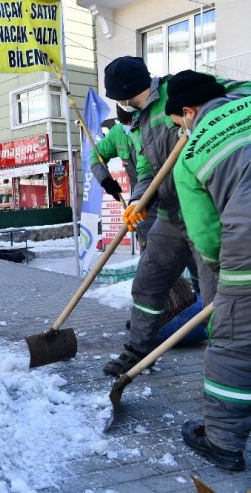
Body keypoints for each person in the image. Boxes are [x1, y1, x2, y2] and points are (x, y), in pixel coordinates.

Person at [100, 56, 233, 377]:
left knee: (217, 299)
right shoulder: (141, 120)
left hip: (204, 211)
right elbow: (146, 167)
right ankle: (138, 352)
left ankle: (225, 370)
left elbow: (230, 93)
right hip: (171, 215)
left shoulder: (178, 91)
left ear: (125, 92)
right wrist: (137, 199)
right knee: (148, 283)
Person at [167, 70, 251, 472]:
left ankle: (223, 443)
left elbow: (208, 237)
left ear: (188, 112)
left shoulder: (191, 155)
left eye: (178, 123)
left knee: (234, 343)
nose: (179, 131)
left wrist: (227, 282)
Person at [89, 105, 156, 246]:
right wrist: (106, 181)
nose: (128, 126)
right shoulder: (118, 133)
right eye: (124, 123)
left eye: (130, 122)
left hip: (166, 191)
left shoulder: (152, 126)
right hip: (141, 201)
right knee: (149, 245)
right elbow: (96, 155)